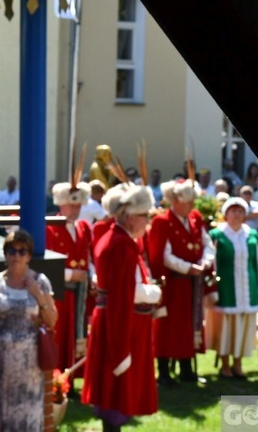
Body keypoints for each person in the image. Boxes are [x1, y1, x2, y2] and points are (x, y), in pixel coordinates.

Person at [82, 184, 161, 432]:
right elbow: (123, 294)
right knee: (115, 391)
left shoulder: (117, 240)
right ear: (129, 216)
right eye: (144, 215)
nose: (148, 220)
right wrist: (154, 292)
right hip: (119, 324)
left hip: (115, 320)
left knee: (113, 391)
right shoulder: (121, 245)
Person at [0, 229, 58, 432]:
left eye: (22, 251)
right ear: (5, 254)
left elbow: (52, 320)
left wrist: (39, 296)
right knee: (0, 414)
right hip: (1, 362)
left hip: (29, 365)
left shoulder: (40, 281)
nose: (16, 256)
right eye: (12, 251)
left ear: (29, 255)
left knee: (28, 415)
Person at [149, 179, 216, 385]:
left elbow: (207, 244)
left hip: (192, 284)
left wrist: (205, 263)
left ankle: (187, 369)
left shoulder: (195, 218)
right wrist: (188, 267)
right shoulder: (162, 222)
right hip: (173, 283)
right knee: (169, 326)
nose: (191, 206)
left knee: (190, 326)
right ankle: (164, 371)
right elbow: (163, 255)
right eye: (188, 202)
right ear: (175, 201)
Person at [204, 197, 258, 379]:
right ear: (226, 214)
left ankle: (238, 363)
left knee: (244, 328)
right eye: (233, 211)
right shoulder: (217, 235)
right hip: (226, 289)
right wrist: (211, 289)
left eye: (240, 211)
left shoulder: (252, 236)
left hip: (248, 288)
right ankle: (224, 364)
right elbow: (212, 264)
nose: (237, 215)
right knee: (225, 328)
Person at [46, 181, 94, 377]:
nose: (76, 209)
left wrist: (92, 275)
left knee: (77, 334)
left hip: (79, 293)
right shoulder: (50, 228)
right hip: (60, 292)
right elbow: (47, 263)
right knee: (61, 336)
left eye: (78, 205)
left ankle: (73, 376)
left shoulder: (84, 228)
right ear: (61, 204)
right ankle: (58, 378)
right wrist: (70, 274)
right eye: (72, 204)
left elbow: (89, 258)